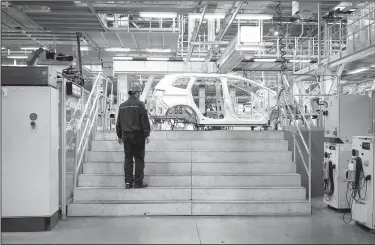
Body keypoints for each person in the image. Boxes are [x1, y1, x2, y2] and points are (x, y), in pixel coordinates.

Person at [116, 84, 151, 189]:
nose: (139, 95)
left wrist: (119, 136)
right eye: (139, 93)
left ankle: (128, 183)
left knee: (128, 160)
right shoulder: (140, 104)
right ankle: (138, 183)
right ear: (136, 93)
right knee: (139, 159)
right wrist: (147, 134)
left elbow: (118, 122)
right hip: (138, 136)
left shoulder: (122, 106)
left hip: (126, 136)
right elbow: (144, 120)